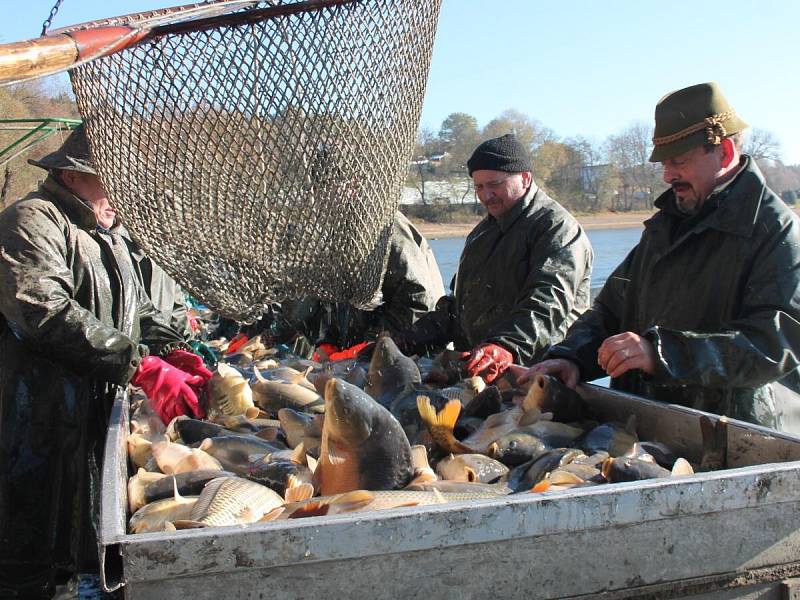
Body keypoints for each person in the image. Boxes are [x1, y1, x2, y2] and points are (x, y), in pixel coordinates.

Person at [0, 125, 210, 598]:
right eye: (111, 180)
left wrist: (173, 349)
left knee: (85, 548)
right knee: (31, 556)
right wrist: (141, 366)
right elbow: (44, 312)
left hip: (95, 418)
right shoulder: (31, 221)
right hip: (36, 422)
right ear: (72, 176)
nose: (123, 196)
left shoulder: (106, 235)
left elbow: (136, 312)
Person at [523, 82, 800, 432]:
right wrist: (571, 358)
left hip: (735, 432)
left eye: (679, 162)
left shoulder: (777, 232)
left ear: (725, 153)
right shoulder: (667, 225)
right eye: (664, 164)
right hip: (647, 425)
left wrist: (659, 354)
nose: (668, 176)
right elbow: (610, 311)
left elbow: (775, 344)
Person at [402, 133, 593, 383]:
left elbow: (547, 303)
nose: (486, 195)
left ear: (525, 178)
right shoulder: (481, 233)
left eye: (494, 184)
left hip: (539, 374)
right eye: (479, 187)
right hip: (481, 369)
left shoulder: (557, 228)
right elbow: (459, 307)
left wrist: (504, 347)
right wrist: (408, 339)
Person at [262, 210, 446, 360]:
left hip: (402, 359)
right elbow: (333, 298)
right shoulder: (336, 230)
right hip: (353, 359)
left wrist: (372, 344)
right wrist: (329, 341)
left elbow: (417, 300)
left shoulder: (389, 227)